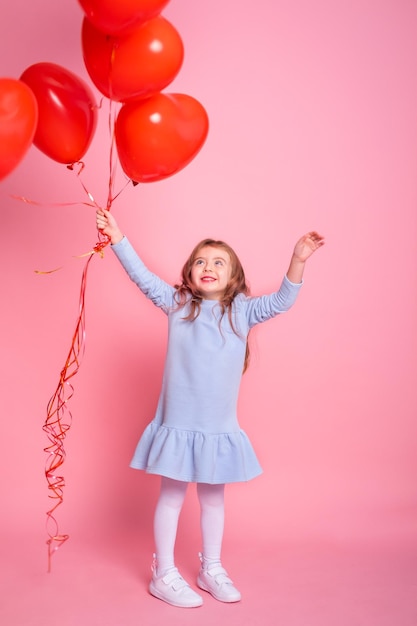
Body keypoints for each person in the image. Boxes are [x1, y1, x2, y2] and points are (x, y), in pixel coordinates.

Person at [96, 208, 324, 608]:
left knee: (214, 499)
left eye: (219, 262)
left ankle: (211, 567)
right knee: (171, 497)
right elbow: (141, 275)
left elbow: (284, 301)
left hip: (217, 429)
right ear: (188, 273)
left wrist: (298, 260)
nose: (208, 266)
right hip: (178, 427)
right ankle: (163, 572)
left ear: (233, 277)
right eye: (200, 260)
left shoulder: (244, 311)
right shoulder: (178, 304)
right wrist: (118, 236)